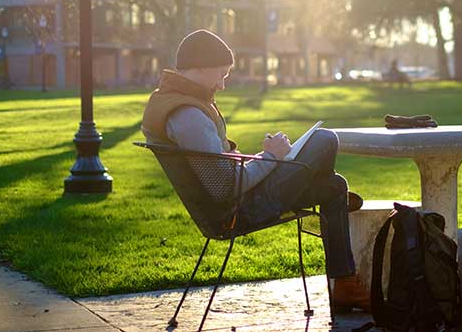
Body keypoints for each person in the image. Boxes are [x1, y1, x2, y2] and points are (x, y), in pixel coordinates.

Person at [141, 29, 369, 312]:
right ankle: (342, 275)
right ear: (199, 66)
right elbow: (226, 187)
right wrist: (270, 156)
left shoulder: (173, 101)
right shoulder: (188, 115)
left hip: (237, 201)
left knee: (334, 187)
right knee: (325, 140)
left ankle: (345, 285)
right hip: (239, 210)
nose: (222, 85)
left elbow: (222, 173)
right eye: (221, 74)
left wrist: (264, 159)